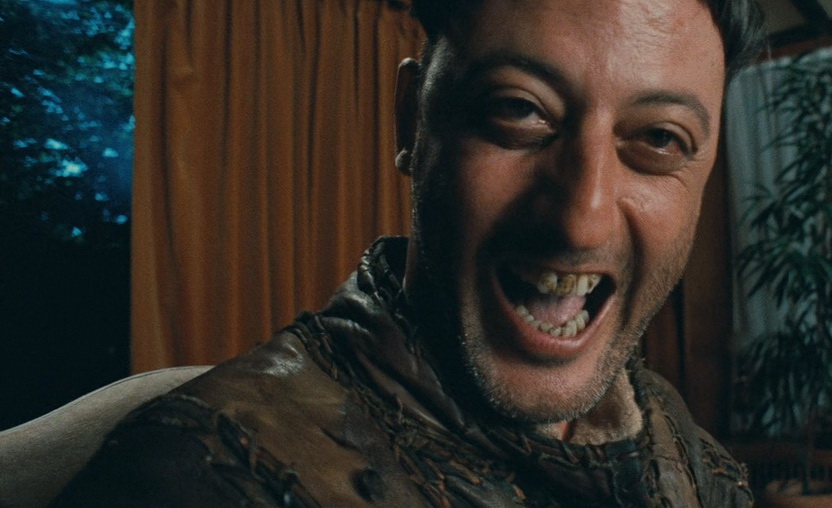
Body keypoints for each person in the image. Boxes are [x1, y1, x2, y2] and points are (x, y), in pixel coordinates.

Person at [53, 0, 765, 505]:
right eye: (519, 109)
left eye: (659, 139)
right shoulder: (196, 477)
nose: (582, 221)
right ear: (411, 120)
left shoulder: (688, 456)